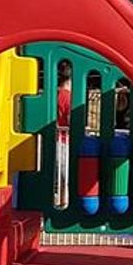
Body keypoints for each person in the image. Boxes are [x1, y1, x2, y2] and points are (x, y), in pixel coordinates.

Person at [55, 60, 73, 208]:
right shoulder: (69, 98)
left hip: (55, 138)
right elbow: (70, 119)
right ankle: (64, 202)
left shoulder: (54, 94)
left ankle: (61, 200)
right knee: (65, 175)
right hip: (64, 139)